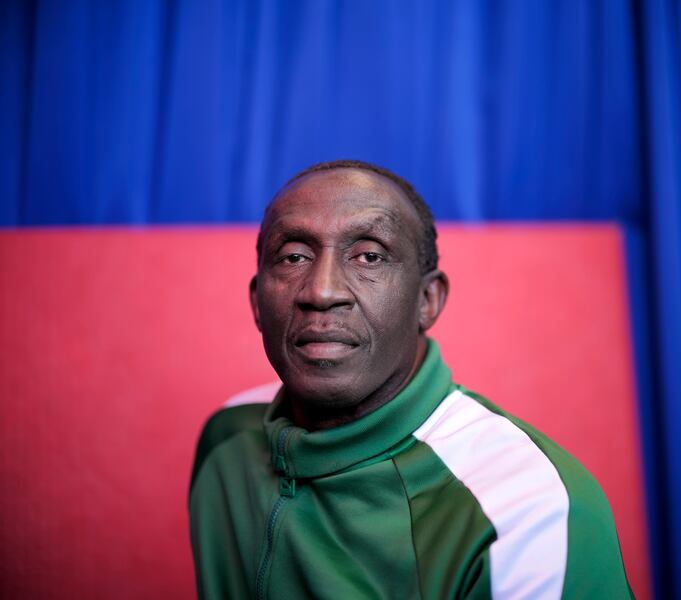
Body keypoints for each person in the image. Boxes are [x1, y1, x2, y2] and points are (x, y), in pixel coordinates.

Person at [189, 160, 633, 599]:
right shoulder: (228, 439)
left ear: (427, 300)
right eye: (293, 256)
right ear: (256, 302)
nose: (321, 291)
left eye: (369, 256)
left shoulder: (528, 510)